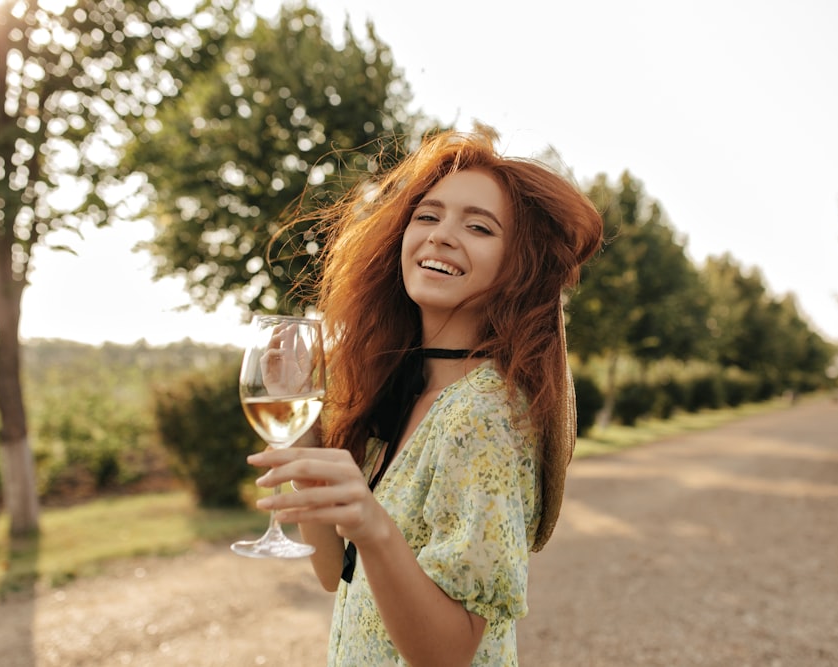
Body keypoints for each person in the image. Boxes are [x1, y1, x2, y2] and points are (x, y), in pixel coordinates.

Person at [246, 129, 604, 666]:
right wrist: (304, 432)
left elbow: (449, 652)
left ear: (518, 268)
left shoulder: (482, 414)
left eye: (479, 226)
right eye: (428, 216)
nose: (441, 236)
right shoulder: (406, 386)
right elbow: (332, 571)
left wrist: (370, 522)